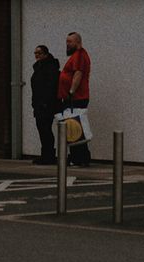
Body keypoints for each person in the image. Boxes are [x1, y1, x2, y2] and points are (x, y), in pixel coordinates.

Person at [58, 32, 92, 167]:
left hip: (75, 98)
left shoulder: (79, 55)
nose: (67, 44)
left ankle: (80, 158)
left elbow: (78, 74)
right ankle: (78, 157)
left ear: (78, 42)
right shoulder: (77, 55)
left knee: (75, 128)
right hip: (74, 98)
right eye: (67, 41)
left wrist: (71, 91)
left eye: (70, 42)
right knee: (74, 127)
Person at [31, 45, 60, 165]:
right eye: (35, 53)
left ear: (46, 54)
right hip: (39, 103)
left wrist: (44, 102)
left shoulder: (49, 67)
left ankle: (48, 155)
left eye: (39, 53)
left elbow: (50, 86)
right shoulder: (39, 67)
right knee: (43, 129)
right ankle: (46, 154)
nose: (37, 55)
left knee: (45, 129)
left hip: (46, 104)